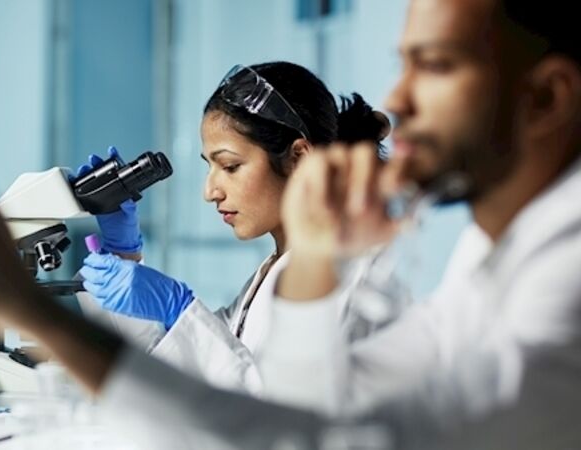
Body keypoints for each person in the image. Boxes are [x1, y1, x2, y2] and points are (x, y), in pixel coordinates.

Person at [0, 0, 581, 447]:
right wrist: (126, 271)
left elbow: (288, 434)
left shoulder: (562, 288)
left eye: (433, 65)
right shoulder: (488, 262)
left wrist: (39, 311)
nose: (398, 98)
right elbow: (281, 407)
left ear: (548, 97)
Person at [74, 62, 393, 392]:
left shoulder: (339, 276)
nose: (210, 191)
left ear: (298, 158)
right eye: (210, 167)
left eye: (230, 166)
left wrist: (179, 309)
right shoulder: (274, 274)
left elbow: (270, 411)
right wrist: (124, 255)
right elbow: (183, 377)